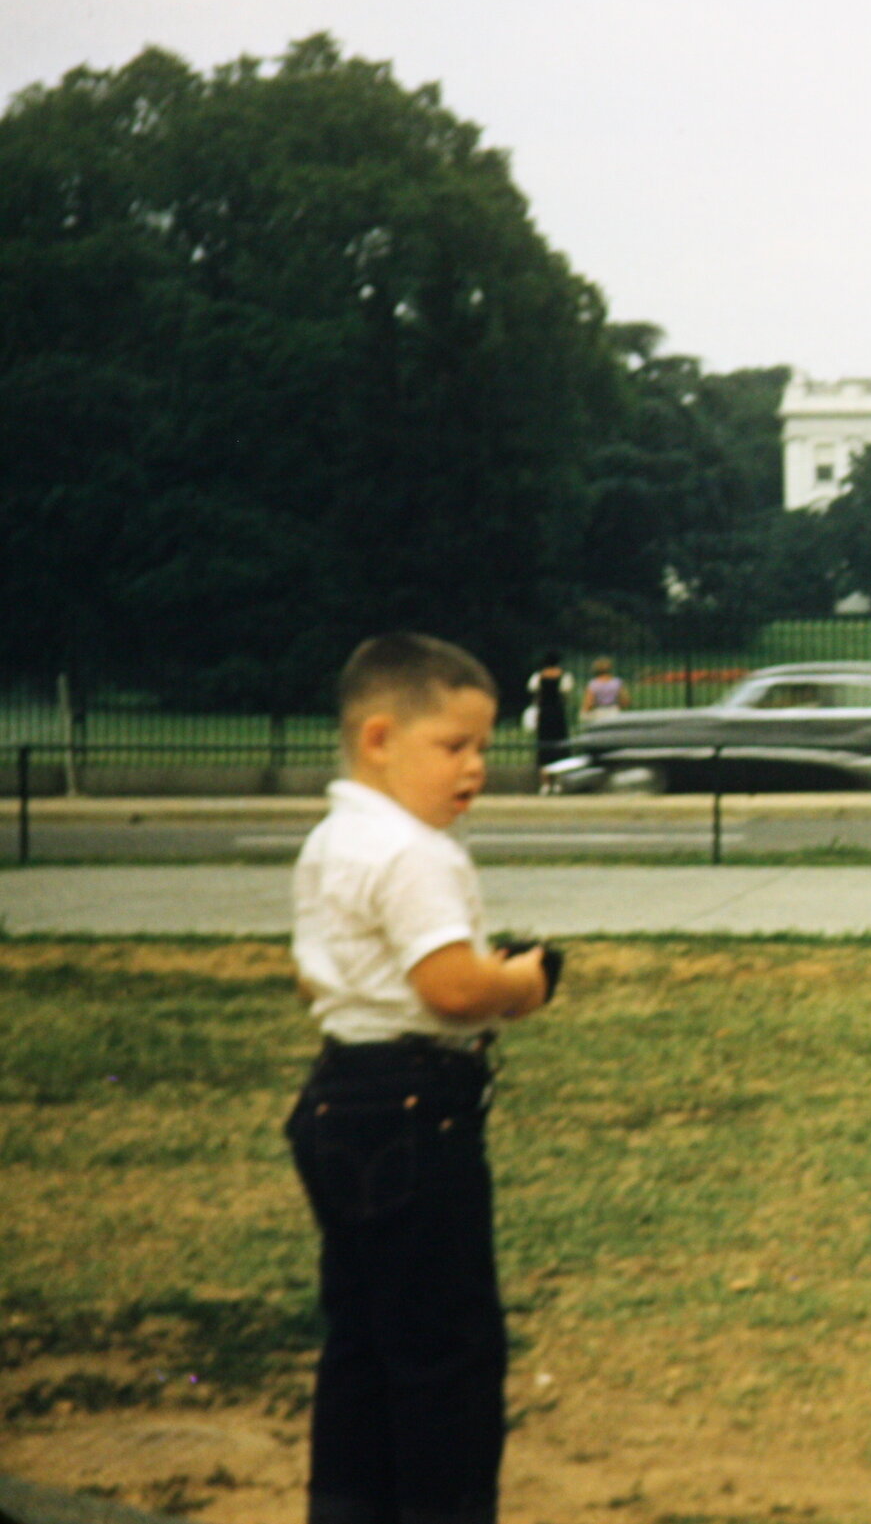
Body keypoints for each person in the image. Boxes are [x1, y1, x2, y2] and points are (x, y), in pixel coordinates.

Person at [287, 633, 556, 1524]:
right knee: (449, 1350)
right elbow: (449, 988)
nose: (475, 766)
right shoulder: (415, 853)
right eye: (454, 746)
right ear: (377, 738)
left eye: (485, 746)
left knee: (363, 1339)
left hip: (338, 1098)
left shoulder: (332, 841)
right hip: (415, 1112)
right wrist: (524, 980)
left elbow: (312, 973)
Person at [526, 651, 572, 790]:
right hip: (558, 714)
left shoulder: (538, 677)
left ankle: (545, 783)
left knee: (543, 747)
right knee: (559, 746)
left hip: (544, 713)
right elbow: (566, 694)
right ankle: (558, 781)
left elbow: (534, 693)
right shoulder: (565, 676)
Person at [580, 656, 629, 726]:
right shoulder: (617, 682)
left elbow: (589, 703)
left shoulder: (593, 684)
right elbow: (625, 701)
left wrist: (583, 713)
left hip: (598, 713)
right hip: (614, 712)